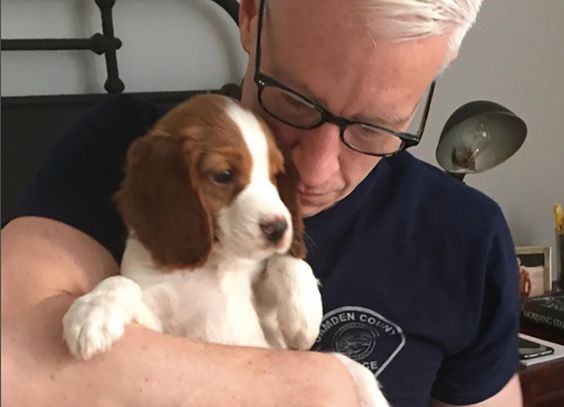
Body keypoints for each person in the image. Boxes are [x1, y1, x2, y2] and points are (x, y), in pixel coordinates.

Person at [2, 0, 523, 406]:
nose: (314, 172)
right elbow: (13, 368)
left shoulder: (467, 235)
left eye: (376, 128)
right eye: (294, 100)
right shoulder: (122, 151)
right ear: (250, 14)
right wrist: (321, 387)